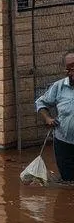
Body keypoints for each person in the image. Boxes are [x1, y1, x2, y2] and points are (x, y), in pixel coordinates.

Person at [36, 49, 74, 182]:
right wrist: (48, 118)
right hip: (63, 142)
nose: (71, 72)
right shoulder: (59, 87)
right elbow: (41, 103)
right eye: (68, 69)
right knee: (67, 180)